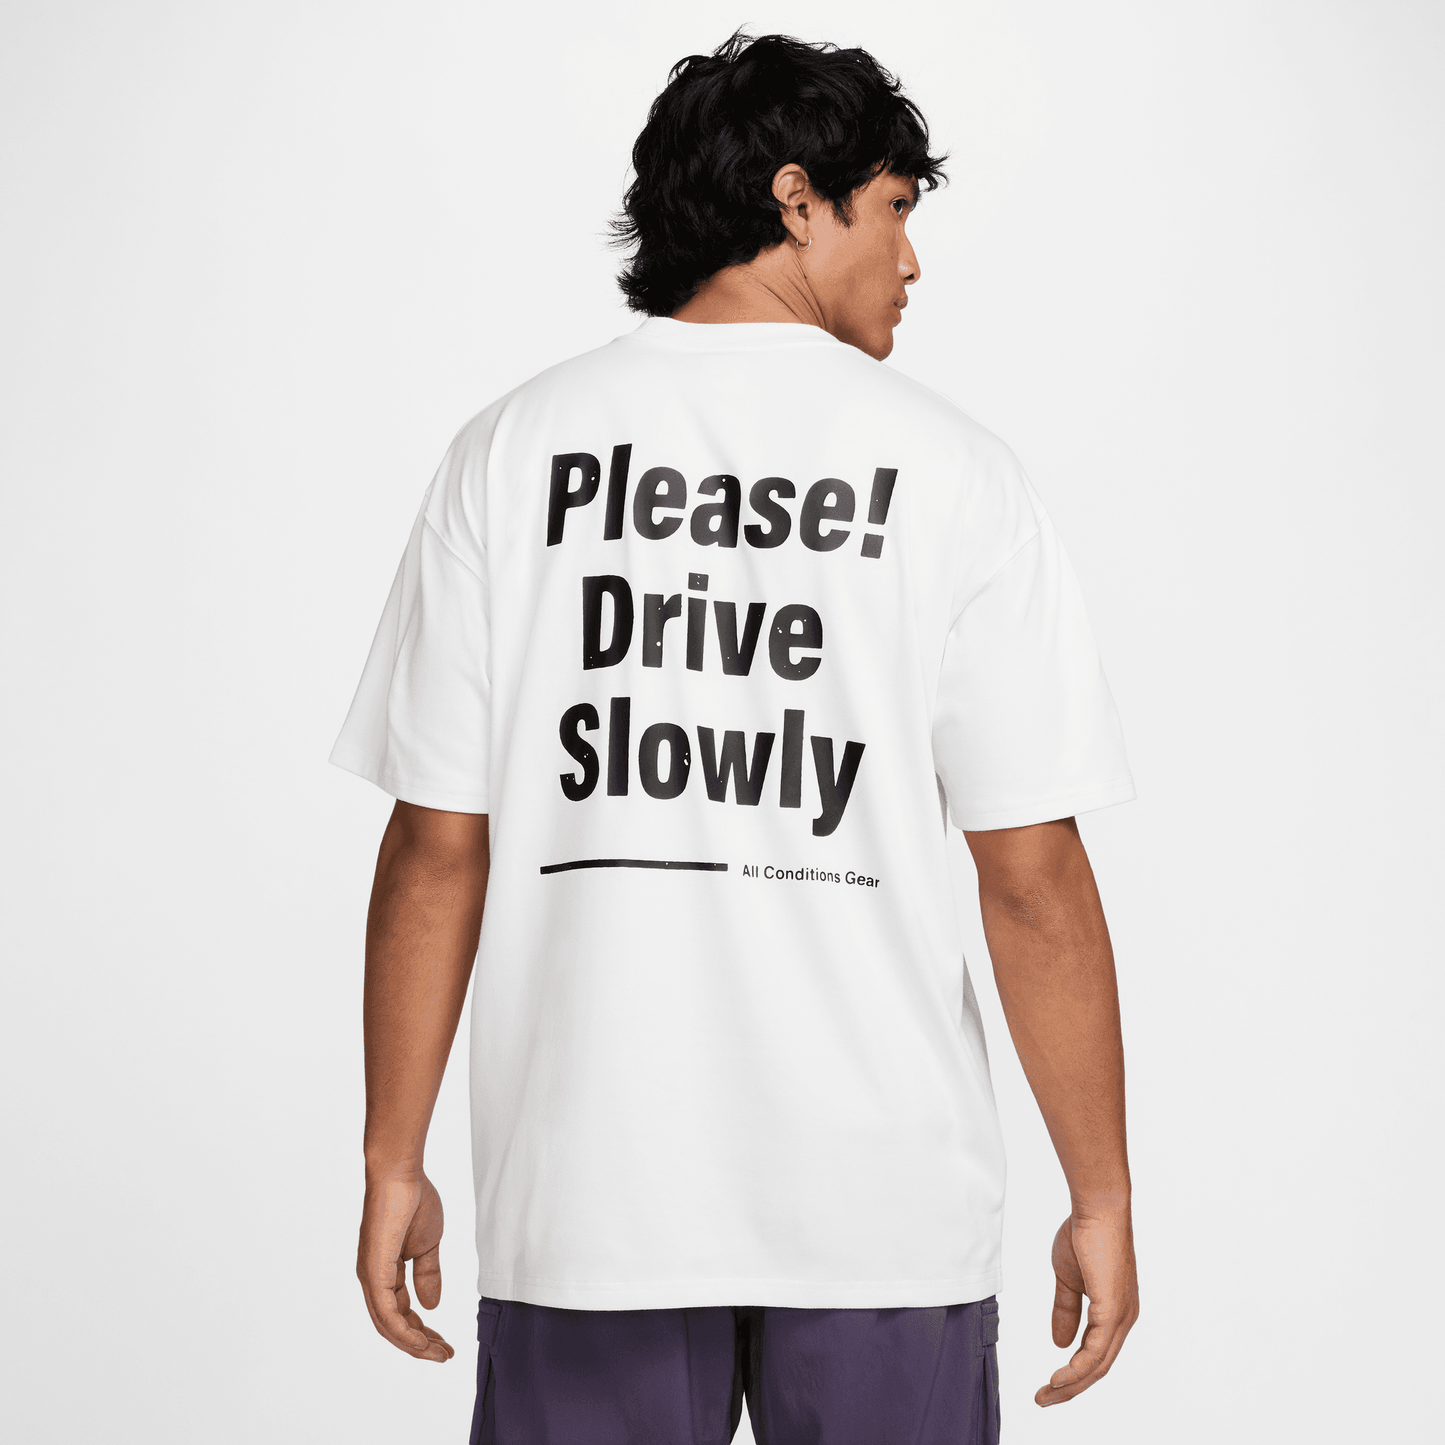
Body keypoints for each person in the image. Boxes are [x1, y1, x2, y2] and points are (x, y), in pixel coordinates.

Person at [332, 31, 1138, 1445]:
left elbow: (434, 846)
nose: (912, 260)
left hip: (589, 1202)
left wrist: (393, 1156)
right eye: (894, 209)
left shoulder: (509, 453)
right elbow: (1031, 877)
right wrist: (1104, 1192)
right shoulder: (957, 475)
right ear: (797, 200)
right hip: (884, 1210)